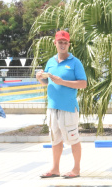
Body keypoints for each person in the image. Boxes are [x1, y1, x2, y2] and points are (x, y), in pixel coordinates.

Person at [37, 30, 87, 179]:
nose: (63, 45)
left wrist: (63, 82)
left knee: (73, 138)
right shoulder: (51, 61)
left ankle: (76, 169)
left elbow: (83, 84)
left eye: (65, 42)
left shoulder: (75, 62)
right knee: (55, 139)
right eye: (60, 42)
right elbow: (47, 81)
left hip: (68, 108)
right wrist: (40, 78)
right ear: (55, 43)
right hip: (53, 107)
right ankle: (55, 169)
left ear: (68, 44)